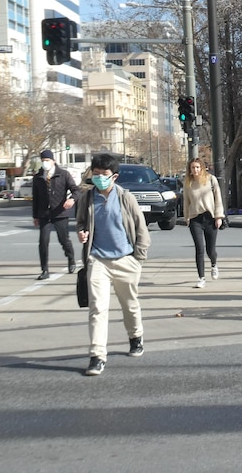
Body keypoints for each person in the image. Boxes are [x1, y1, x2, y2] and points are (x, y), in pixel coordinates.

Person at [76, 153, 150, 376]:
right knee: (97, 308)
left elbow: (141, 229)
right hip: (98, 260)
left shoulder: (126, 198)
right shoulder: (87, 199)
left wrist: (138, 259)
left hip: (125, 260)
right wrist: (82, 233)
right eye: (95, 174)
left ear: (114, 176)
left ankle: (135, 336)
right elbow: (81, 223)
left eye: (104, 175)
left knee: (130, 305)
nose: (99, 178)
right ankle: (97, 355)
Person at [31, 149, 80, 280]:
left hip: (60, 213)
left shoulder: (63, 174)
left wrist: (71, 200)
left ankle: (71, 259)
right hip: (44, 214)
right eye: (43, 161)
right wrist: (35, 216)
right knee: (43, 241)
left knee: (63, 240)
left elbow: (76, 190)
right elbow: (35, 198)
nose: (45, 163)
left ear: (53, 161)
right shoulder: (38, 177)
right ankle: (45, 270)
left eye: (47, 160)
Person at [183, 158, 225, 289]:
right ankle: (201, 278)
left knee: (210, 250)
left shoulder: (211, 180)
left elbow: (218, 198)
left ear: (202, 168)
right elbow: (186, 201)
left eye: (197, 167)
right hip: (195, 218)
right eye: (193, 168)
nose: (195, 170)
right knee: (199, 249)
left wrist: (218, 216)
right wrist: (187, 217)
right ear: (190, 170)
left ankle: (214, 264)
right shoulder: (188, 183)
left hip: (210, 217)